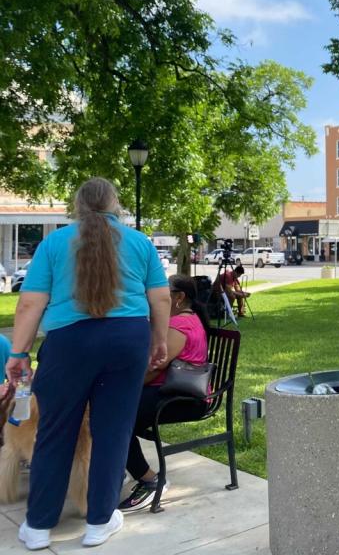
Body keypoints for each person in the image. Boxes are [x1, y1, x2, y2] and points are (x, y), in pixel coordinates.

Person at [6, 177, 169, 550]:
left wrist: (18, 354)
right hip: (127, 341)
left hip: (68, 344)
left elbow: (30, 303)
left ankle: (37, 527)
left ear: (77, 206)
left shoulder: (54, 243)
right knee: (112, 431)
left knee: (54, 431)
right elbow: (160, 298)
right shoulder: (140, 242)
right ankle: (99, 522)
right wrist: (159, 341)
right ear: (115, 205)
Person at [120, 274, 211, 511]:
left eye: (164, 290)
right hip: (169, 392)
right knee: (112, 409)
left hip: (183, 398)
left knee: (114, 415)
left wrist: (123, 387)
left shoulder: (180, 324)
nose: (156, 294)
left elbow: (154, 367)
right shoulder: (184, 320)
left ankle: (151, 480)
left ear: (179, 297)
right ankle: (118, 466)